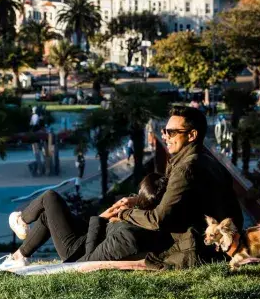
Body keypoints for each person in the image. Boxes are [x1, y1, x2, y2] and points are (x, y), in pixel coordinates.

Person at [102, 106, 244, 269]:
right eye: (164, 131)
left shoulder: (186, 169)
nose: (165, 136)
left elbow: (158, 219)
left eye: (172, 132)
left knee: (116, 244)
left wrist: (124, 213)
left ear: (192, 135)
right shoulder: (209, 162)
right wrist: (136, 200)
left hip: (194, 252)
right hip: (212, 248)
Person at [0, 174, 171, 273]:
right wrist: (120, 210)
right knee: (48, 216)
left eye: (137, 194)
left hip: (76, 253)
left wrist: (101, 218)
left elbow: (88, 259)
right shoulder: (142, 219)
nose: (133, 196)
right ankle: (18, 257)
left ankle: (20, 219)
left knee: (50, 197)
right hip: (88, 237)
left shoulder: (129, 235)